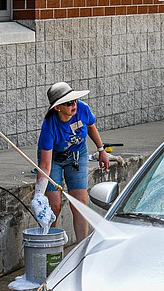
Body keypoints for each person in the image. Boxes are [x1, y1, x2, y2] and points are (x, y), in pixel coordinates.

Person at [36, 82, 110, 242]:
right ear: (57, 108)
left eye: (74, 100)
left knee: (80, 202)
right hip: (54, 158)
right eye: (69, 103)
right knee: (54, 204)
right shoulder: (49, 125)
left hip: (77, 155)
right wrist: (38, 194)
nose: (74, 105)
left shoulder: (82, 109)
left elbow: (91, 126)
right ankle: (50, 243)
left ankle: (81, 246)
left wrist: (101, 150)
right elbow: (45, 165)